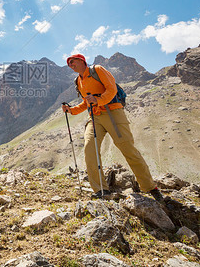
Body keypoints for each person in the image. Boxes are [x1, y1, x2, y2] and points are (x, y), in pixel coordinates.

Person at [62, 53, 163, 201]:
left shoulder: (97, 70)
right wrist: (71, 110)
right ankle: (101, 190)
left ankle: (150, 187)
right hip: (95, 117)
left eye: (73, 61)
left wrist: (98, 100)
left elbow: (111, 89)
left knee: (128, 149)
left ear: (82, 60)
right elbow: (85, 102)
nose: (71, 65)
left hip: (113, 112)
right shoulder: (78, 81)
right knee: (90, 149)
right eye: (69, 64)